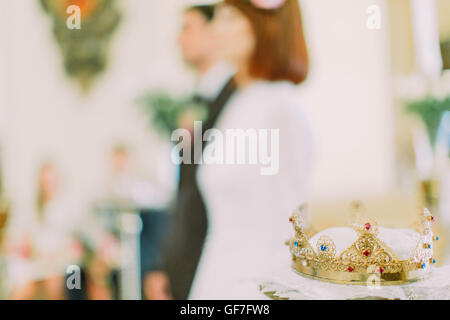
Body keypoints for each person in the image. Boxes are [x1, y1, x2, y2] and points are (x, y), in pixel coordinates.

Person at [188, 0, 314, 299]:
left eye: (230, 18)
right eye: (216, 18)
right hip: (217, 274)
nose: (216, 29)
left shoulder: (281, 106)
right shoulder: (239, 103)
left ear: (265, 26)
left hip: (258, 284)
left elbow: (289, 219)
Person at [144, 0, 237, 300]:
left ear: (214, 34)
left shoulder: (236, 100)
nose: (178, 39)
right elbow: (183, 188)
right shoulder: (197, 99)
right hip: (185, 258)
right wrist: (164, 263)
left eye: (187, 28)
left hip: (216, 259)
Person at [7, 162, 79, 299]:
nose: (48, 186)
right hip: (34, 261)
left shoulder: (68, 207)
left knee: (54, 283)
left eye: (51, 182)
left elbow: (73, 242)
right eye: (45, 182)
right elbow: (19, 235)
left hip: (59, 262)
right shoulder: (30, 207)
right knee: (21, 289)